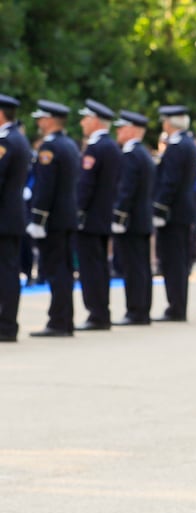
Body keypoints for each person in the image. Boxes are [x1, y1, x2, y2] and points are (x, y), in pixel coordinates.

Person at [27, 100, 81, 337]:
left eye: (41, 118)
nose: (39, 123)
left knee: (56, 270)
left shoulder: (50, 148)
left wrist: (38, 218)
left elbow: (45, 187)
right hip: (67, 216)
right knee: (65, 270)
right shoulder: (69, 144)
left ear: (49, 120)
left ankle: (59, 321)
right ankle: (64, 319)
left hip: (54, 219)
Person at [74, 100, 121, 331]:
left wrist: (78, 211)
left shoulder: (95, 148)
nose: (82, 123)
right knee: (100, 266)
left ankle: (97, 314)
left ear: (94, 121)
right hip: (103, 216)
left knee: (91, 268)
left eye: (85, 118)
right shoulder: (111, 146)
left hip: (90, 218)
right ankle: (101, 311)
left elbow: (86, 185)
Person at [152, 104, 196, 322]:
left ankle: (176, 307)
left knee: (173, 261)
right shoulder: (187, 144)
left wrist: (160, 208)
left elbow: (169, 182)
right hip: (182, 211)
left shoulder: (177, 146)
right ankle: (177, 305)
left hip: (174, 212)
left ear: (168, 123)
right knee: (177, 260)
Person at [111, 110, 156, 326]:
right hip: (142, 219)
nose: (118, 132)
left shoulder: (131, 155)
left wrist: (119, 217)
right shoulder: (143, 153)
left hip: (132, 221)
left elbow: (126, 190)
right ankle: (142, 309)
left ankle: (136, 311)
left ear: (131, 130)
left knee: (134, 268)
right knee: (141, 267)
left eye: (121, 128)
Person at [0, 94, 31, 342]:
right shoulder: (17, 139)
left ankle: (6, 325)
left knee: (6, 272)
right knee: (8, 270)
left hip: (4, 218)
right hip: (10, 216)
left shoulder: (5, 141)